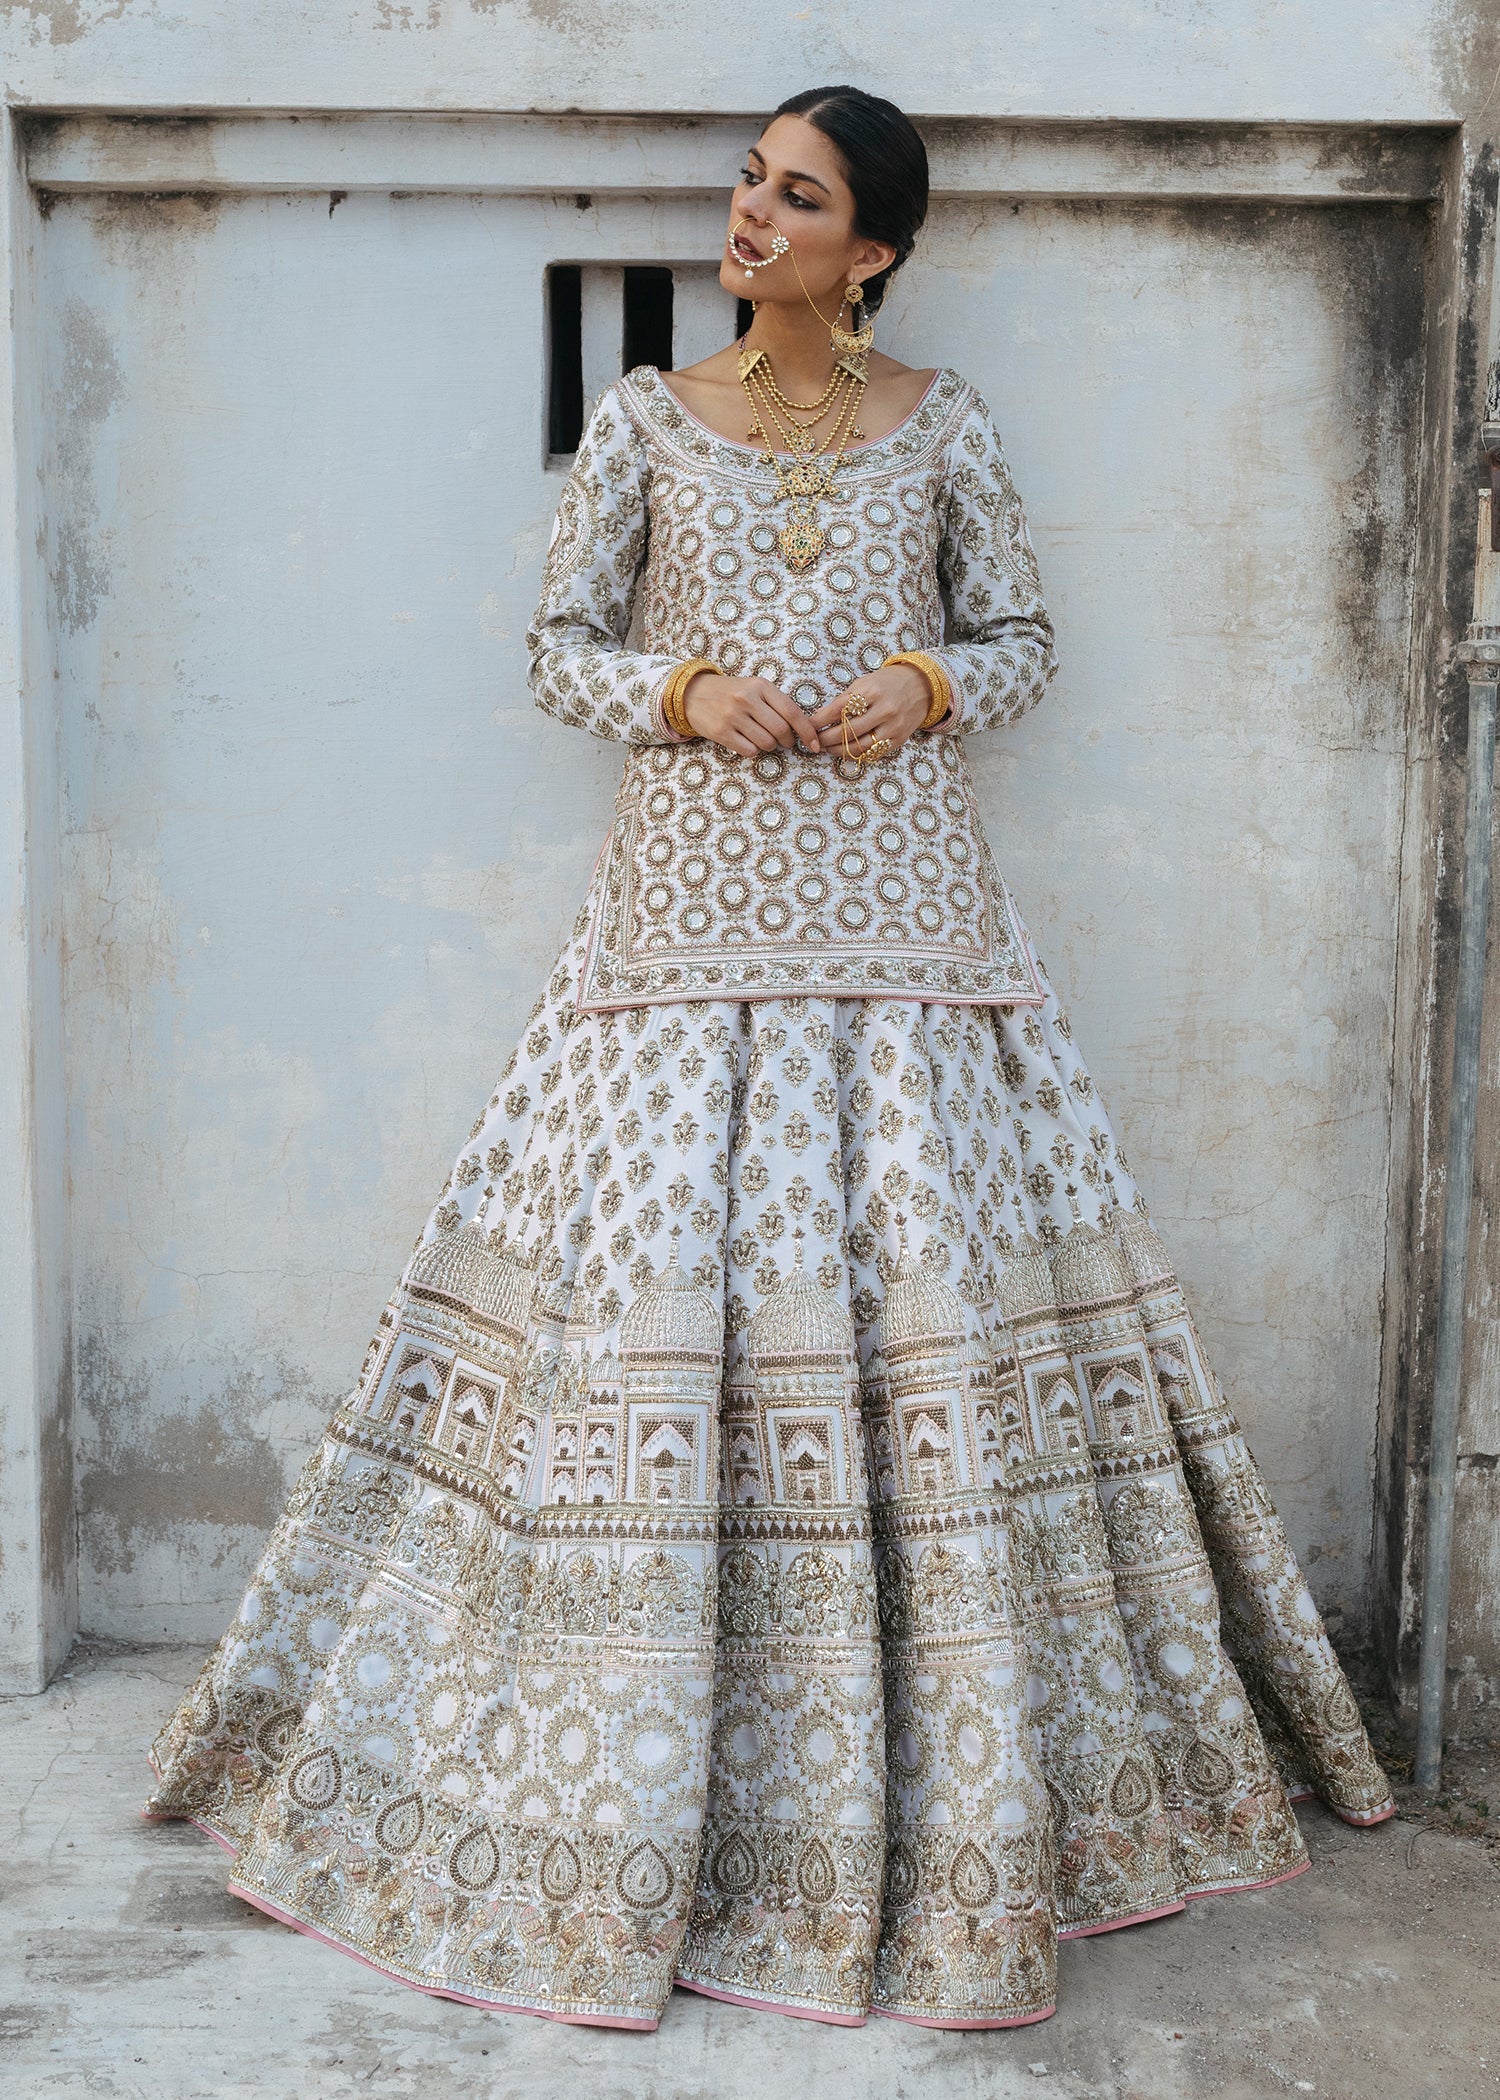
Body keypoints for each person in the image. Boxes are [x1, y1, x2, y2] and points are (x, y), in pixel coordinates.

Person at [142, 83, 1394, 2033]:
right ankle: (638, 1780)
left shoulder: (945, 423)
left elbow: (1028, 638)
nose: (749, 214)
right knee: (643, 1333)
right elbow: (559, 645)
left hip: (908, 935)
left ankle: (918, 1777)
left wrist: (923, 682)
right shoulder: (647, 419)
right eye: (747, 179)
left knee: (921, 1331)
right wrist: (684, 686)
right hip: (680, 934)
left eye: (794, 196)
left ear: (870, 249)